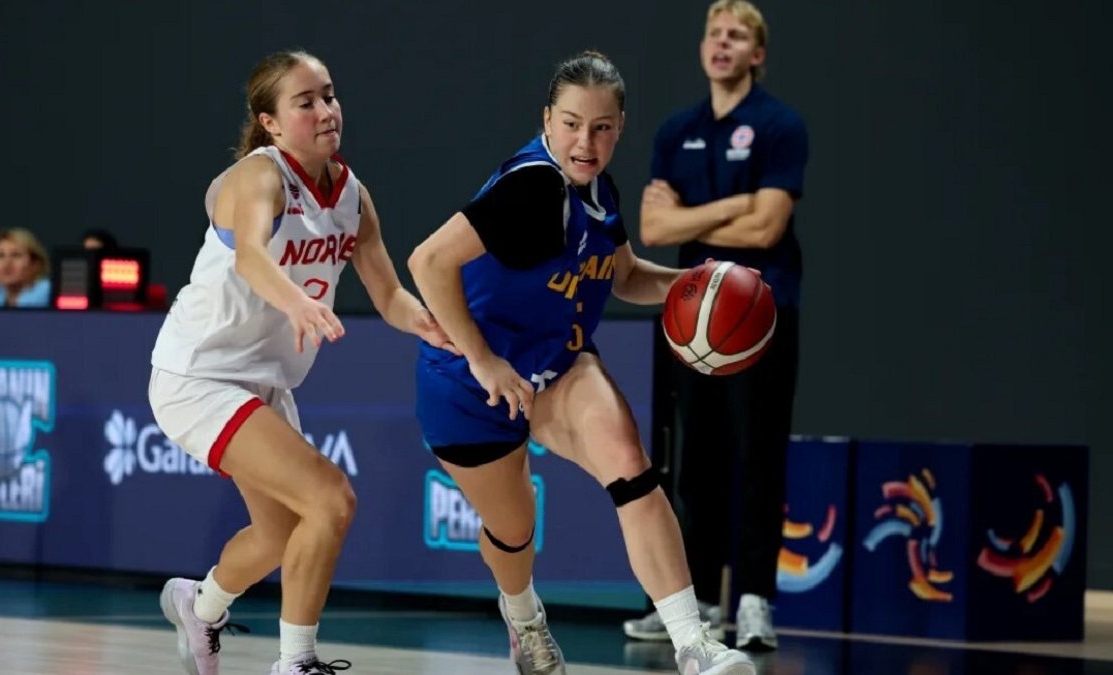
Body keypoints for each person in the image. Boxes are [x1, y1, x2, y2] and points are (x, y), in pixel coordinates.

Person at [408, 51, 755, 675]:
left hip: (557, 364)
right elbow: (427, 261)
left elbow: (623, 276)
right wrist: (483, 360)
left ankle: (694, 646)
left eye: (600, 127)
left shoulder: (599, 188)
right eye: (570, 124)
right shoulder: (532, 186)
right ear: (547, 119)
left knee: (631, 465)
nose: (585, 142)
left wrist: (698, 285)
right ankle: (524, 618)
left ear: (619, 127)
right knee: (514, 532)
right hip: (468, 384)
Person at [148, 49, 455, 675]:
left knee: (282, 531)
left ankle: (199, 605)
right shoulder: (258, 177)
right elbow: (251, 257)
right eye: (306, 102)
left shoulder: (353, 195)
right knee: (331, 499)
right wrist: (296, 302)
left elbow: (388, 294)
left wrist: (431, 324)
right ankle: (296, 663)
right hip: (200, 374)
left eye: (330, 95)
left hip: (263, 382)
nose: (326, 111)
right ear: (270, 122)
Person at [627, 0, 809, 652]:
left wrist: (694, 214)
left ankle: (755, 601)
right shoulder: (678, 130)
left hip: (760, 314)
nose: (722, 43)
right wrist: (736, 204)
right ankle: (696, 600)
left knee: (757, 456)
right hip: (691, 316)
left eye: (737, 35)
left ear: (757, 54)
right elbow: (653, 229)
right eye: (714, 33)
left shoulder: (780, 125)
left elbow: (768, 228)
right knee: (693, 463)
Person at [0, 228, 52, 308]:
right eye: (0, 256)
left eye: (16, 255)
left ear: (35, 264)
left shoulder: (49, 293)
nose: (6, 263)